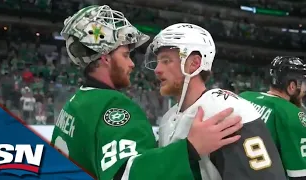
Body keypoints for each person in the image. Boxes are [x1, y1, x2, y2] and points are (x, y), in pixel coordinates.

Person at [50, 5, 244, 180]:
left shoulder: (75, 103)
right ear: (105, 58)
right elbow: (123, 175)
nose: (131, 64)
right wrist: (190, 148)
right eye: (126, 55)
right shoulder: (114, 107)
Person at [144, 23, 287, 180]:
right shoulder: (168, 119)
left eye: (166, 61)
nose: (157, 69)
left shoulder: (226, 110)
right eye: (158, 61)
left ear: (194, 64)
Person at [240, 56, 306, 179]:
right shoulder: (292, 114)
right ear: (292, 86)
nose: (304, 89)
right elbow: (300, 174)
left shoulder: (244, 97)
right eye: (303, 83)